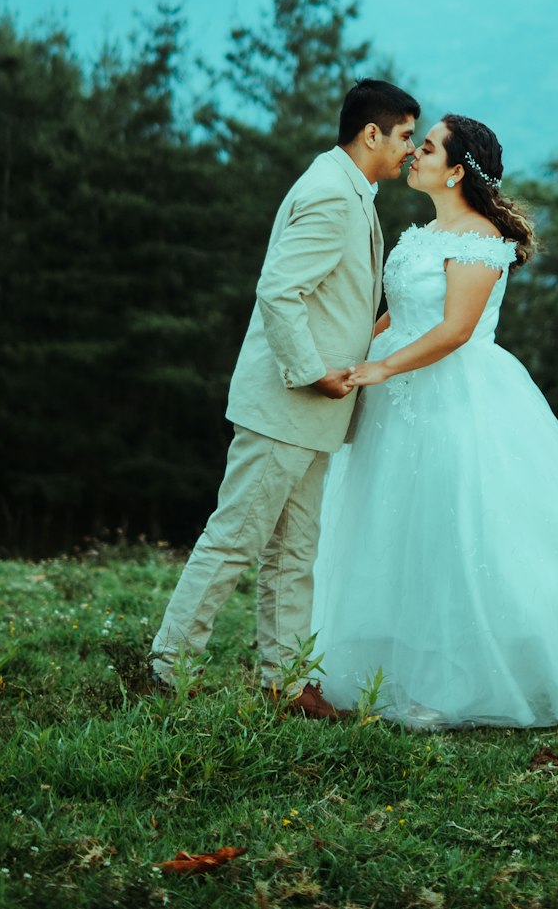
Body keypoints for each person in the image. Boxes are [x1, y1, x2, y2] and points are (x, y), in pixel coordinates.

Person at [311, 113, 558, 729]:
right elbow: (397, 317)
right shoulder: (419, 236)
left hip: (457, 401)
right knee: (392, 530)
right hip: (396, 403)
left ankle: (462, 682)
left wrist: (383, 369)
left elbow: (454, 332)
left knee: (455, 534)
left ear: (455, 171)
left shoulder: (479, 241)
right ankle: (384, 674)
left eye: (426, 148)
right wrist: (354, 356)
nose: (412, 155)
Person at [150, 79, 420, 716]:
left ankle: (288, 682)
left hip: (316, 412)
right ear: (372, 133)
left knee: (296, 551)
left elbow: (336, 297)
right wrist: (314, 373)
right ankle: (169, 668)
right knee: (237, 538)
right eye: (406, 135)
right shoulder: (331, 193)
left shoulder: (353, 187)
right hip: (288, 402)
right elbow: (278, 291)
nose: (411, 148)